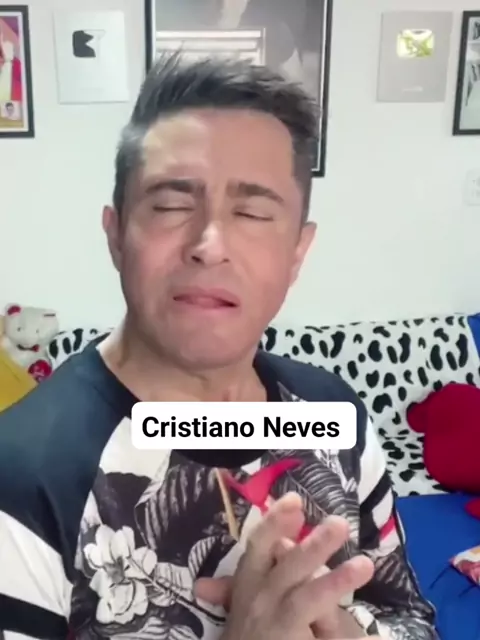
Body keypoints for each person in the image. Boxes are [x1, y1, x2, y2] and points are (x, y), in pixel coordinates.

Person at [0, 53, 437, 640]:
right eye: (171, 206)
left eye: (252, 212)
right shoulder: (21, 477)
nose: (209, 244)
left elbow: (408, 616)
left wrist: (343, 629)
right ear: (116, 235)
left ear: (298, 253)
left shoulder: (334, 415)